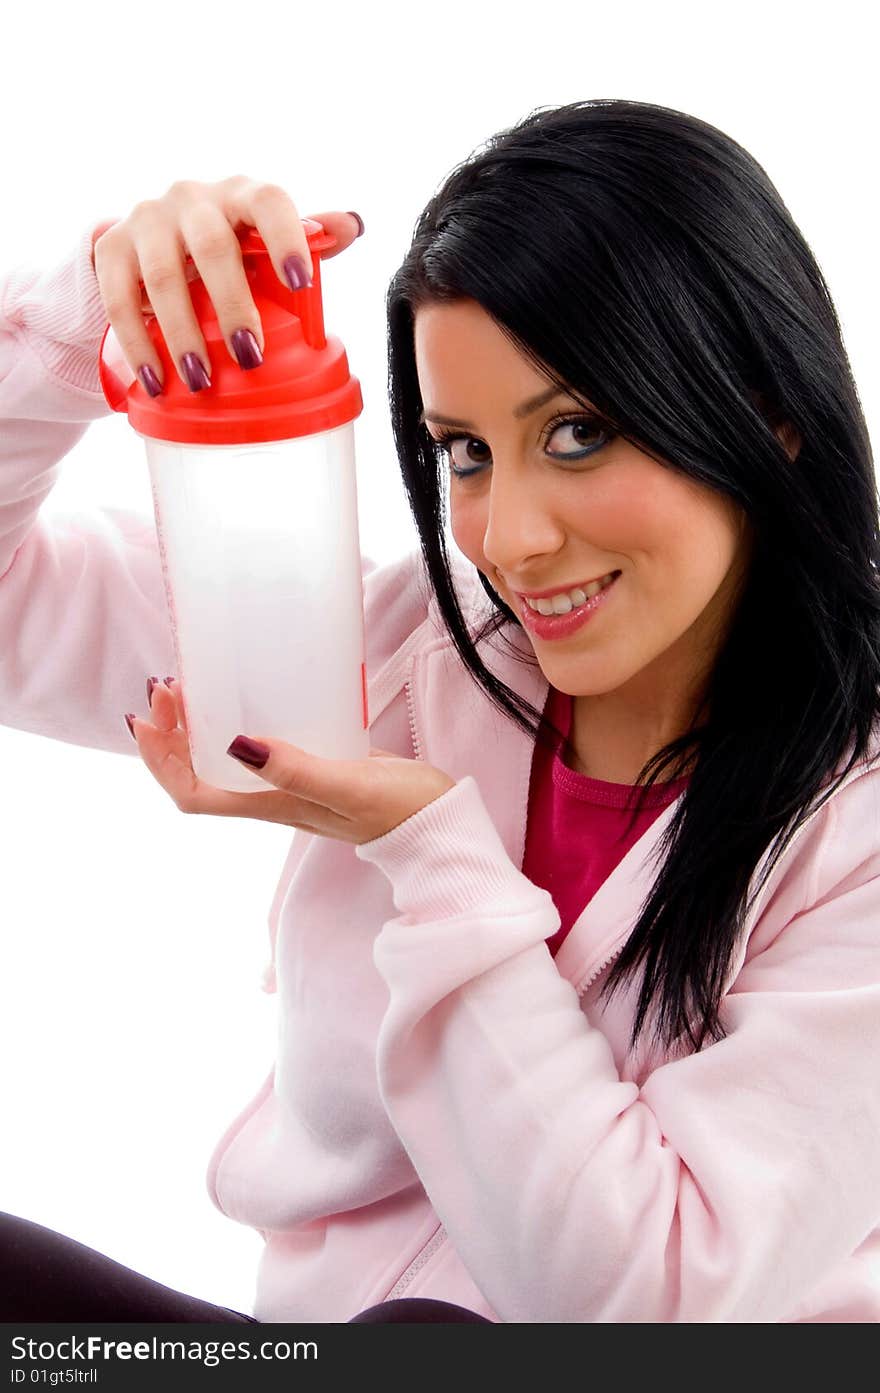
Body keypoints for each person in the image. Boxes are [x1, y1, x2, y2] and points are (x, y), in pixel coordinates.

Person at [1, 98, 878, 1325]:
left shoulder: (859, 829)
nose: (506, 540)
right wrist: (87, 319)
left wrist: (432, 857)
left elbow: (638, 1300)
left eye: (577, 432)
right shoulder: (405, 653)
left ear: (769, 418)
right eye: (462, 450)